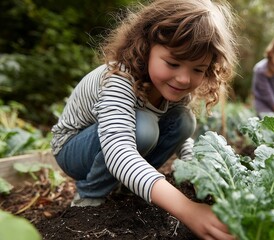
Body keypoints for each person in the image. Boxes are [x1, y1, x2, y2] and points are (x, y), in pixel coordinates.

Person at [50, 1, 238, 239]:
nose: (183, 78)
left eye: (198, 69)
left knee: (184, 120)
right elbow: (118, 150)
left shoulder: (176, 86)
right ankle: (89, 196)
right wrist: (187, 209)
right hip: (72, 150)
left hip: (114, 145)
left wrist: (196, 173)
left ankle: (132, 183)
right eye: (173, 63)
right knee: (144, 128)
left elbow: (182, 138)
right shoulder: (119, 79)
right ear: (146, 46)